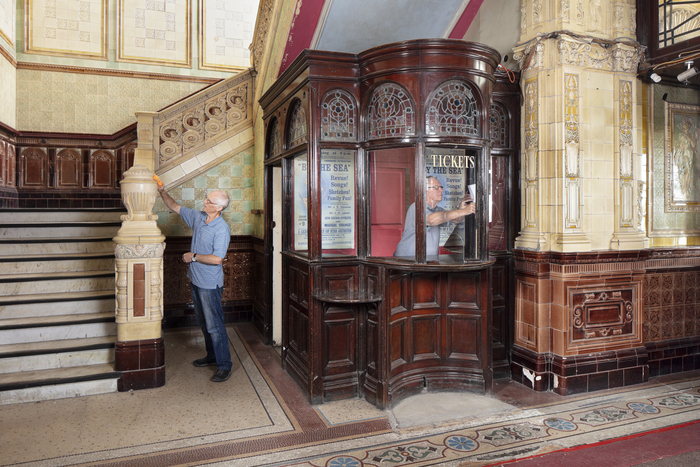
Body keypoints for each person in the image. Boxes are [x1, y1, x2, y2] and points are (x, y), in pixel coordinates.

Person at [158, 186, 233, 382]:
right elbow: (174, 206)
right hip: (196, 280)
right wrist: (161, 191)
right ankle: (211, 356)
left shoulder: (222, 229)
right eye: (206, 199)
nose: (204, 203)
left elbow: (217, 259)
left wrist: (194, 257)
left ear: (218, 208)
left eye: (208, 202)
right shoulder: (199, 218)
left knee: (215, 326)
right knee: (203, 322)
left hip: (210, 284)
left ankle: (224, 365)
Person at [394, 176, 475, 257]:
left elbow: (456, 219)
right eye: (436, 188)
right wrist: (464, 211)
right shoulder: (416, 207)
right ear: (425, 191)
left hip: (427, 261)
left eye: (441, 187)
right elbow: (431, 220)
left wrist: (461, 208)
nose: (441, 190)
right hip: (407, 260)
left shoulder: (438, 210)